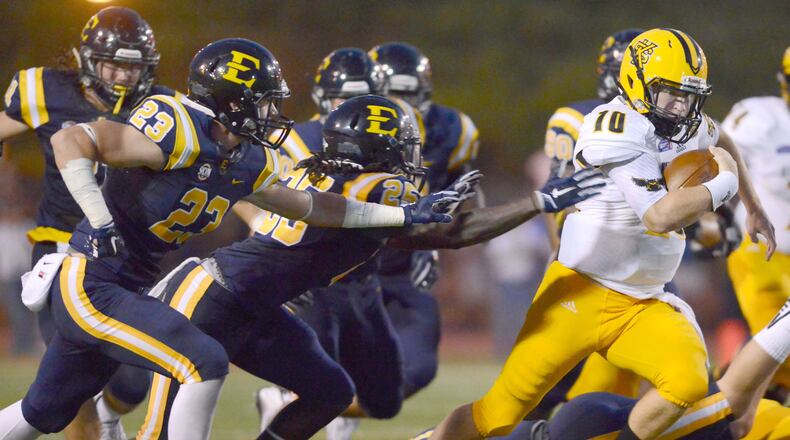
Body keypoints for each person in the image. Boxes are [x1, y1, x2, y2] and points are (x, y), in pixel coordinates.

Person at [0, 38, 453, 440]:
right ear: (233, 101)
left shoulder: (246, 157)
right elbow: (72, 141)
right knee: (203, 361)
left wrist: (403, 212)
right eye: (264, 102)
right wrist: (100, 221)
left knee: (44, 411)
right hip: (93, 282)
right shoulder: (178, 129)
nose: (273, 113)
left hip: (128, 284)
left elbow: (313, 206)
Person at [137, 94, 602, 440]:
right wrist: (539, 201)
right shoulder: (376, 188)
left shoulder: (335, 175)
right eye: (400, 148)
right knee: (163, 432)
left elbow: (416, 232)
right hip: (209, 300)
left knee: (330, 391)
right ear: (374, 152)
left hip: (254, 305)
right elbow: (452, 233)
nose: (410, 160)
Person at [428, 28, 776, 440]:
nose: (682, 107)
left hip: (643, 302)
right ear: (636, 83)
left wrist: (754, 208)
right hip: (580, 293)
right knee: (497, 414)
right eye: (671, 94)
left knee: (686, 384)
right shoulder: (613, 127)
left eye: (690, 96)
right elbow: (660, 217)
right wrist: (726, 185)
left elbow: (722, 139)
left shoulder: (686, 122)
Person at [0, 7, 175, 439]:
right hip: (62, 246)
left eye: (132, 67)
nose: (121, 76)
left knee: (134, 380)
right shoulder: (46, 89)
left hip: (125, 254)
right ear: (88, 59)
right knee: (71, 379)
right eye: (114, 63)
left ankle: (107, 414)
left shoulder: (164, 108)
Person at [721, 46, 790, 393]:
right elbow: (712, 162)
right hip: (762, 252)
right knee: (774, 351)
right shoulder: (759, 119)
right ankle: (726, 409)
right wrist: (710, 215)